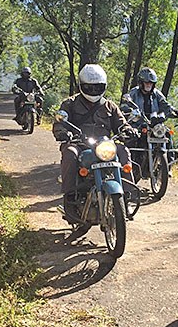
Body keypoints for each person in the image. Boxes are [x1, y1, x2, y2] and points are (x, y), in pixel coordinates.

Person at [52, 64, 137, 221]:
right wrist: (63, 132)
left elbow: (121, 122)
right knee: (70, 153)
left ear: (103, 86)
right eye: (89, 87)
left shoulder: (109, 105)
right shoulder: (69, 104)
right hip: (79, 144)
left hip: (105, 144)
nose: (93, 91)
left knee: (123, 151)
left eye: (97, 87)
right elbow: (59, 123)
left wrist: (128, 130)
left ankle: (127, 195)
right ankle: (70, 198)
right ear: (81, 86)